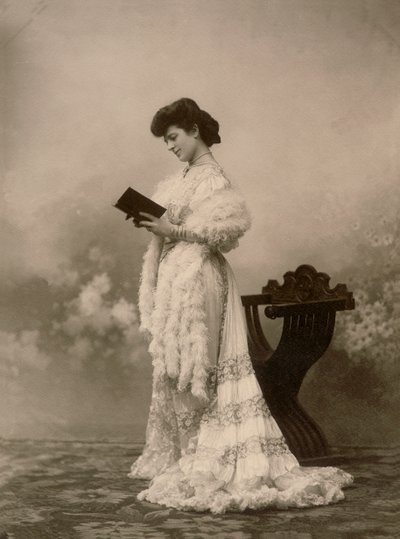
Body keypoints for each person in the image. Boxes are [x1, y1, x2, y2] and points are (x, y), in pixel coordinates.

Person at [128, 98, 353, 514]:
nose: (170, 146)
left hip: (201, 279)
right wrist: (159, 227)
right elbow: (176, 226)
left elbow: (224, 232)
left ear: (194, 130)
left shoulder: (213, 178)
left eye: (173, 137)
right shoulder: (184, 176)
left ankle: (213, 456)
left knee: (203, 365)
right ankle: (192, 451)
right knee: (182, 365)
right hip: (179, 276)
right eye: (166, 141)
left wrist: (171, 229)